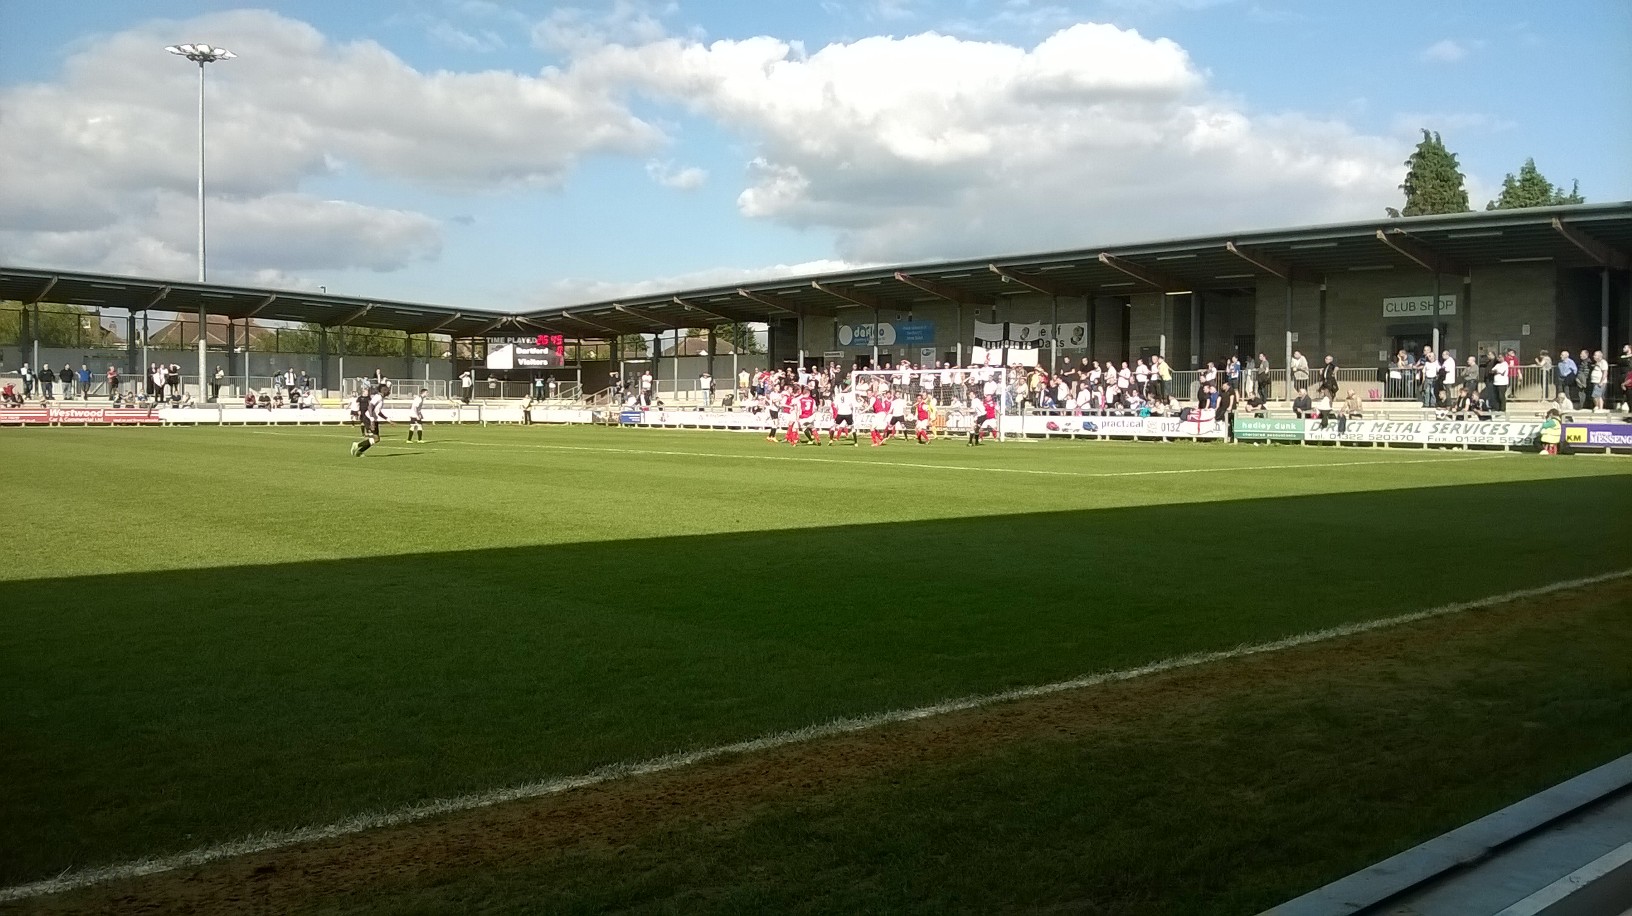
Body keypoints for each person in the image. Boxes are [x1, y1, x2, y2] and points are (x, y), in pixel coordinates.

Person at [350, 385, 384, 456]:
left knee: (376, 439)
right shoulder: (376, 397)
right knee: (375, 438)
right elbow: (369, 406)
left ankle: (359, 450)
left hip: (371, 417)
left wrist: (387, 419)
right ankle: (358, 446)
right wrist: (359, 411)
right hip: (368, 417)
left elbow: (376, 410)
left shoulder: (372, 398)